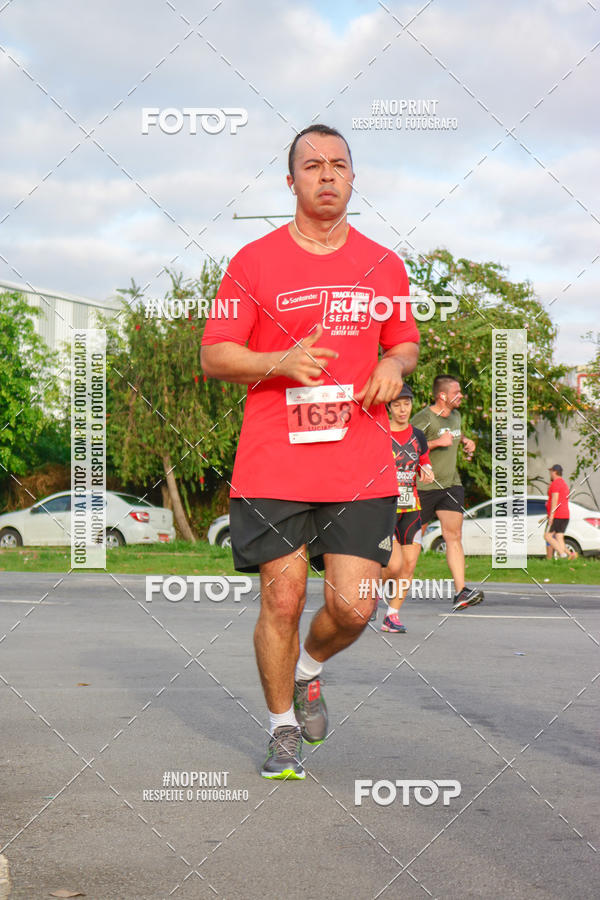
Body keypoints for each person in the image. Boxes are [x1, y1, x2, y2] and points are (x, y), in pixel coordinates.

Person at [201, 124, 420, 780]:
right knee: (283, 600)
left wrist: (395, 366)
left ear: (353, 179)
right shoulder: (254, 261)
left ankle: (309, 671)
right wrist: (280, 361)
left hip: (359, 464)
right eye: (312, 165)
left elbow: (404, 341)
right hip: (275, 463)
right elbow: (215, 355)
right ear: (290, 180)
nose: (327, 175)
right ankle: (282, 729)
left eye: (339, 165)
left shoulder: (385, 264)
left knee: (355, 604)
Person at [411, 375, 484, 611]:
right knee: (410, 543)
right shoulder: (423, 417)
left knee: (453, 536)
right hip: (423, 487)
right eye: (457, 392)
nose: (461, 395)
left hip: (450, 485)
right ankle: (373, 598)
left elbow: (453, 433)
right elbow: (405, 445)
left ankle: (461, 592)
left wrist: (465, 440)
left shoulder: (456, 416)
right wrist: (435, 443)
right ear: (442, 395)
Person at [372, 384, 434, 633]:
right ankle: (370, 597)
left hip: (412, 508)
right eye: (396, 404)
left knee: (408, 566)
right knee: (394, 565)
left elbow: (425, 463)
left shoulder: (418, 435)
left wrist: (428, 472)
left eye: (406, 404)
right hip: (385, 507)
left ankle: (392, 616)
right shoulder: (379, 432)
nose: (402, 409)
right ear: (388, 407)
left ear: (411, 405)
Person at [544, 464, 571, 558]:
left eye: (551, 471)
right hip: (565, 515)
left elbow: (555, 499)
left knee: (547, 536)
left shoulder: (556, 483)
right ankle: (570, 556)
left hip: (557, 515)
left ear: (555, 472)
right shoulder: (564, 483)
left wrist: (551, 515)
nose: (550, 473)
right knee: (559, 537)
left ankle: (562, 554)